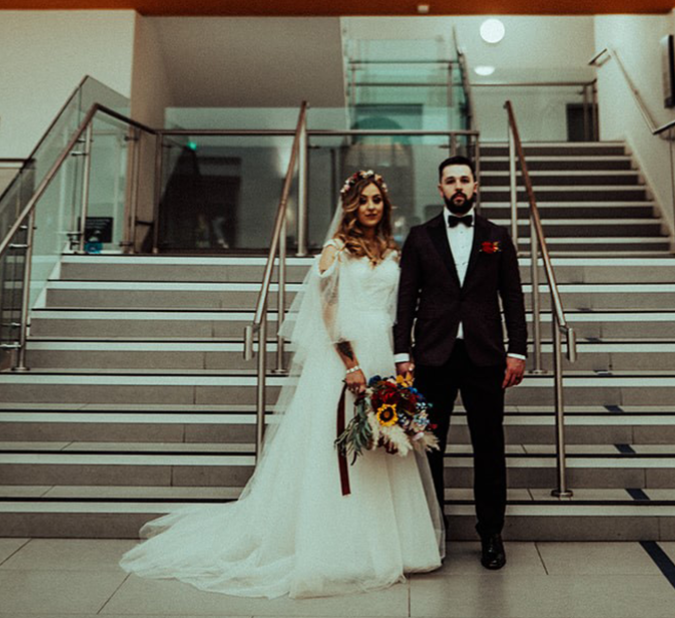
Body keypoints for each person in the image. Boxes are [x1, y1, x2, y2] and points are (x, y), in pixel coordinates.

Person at [120, 170, 444, 599]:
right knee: (341, 451)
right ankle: (340, 547)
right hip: (347, 358)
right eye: (363, 199)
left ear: (384, 206)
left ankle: (394, 546)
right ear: (350, 206)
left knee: (381, 448)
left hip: (384, 348)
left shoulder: (394, 253)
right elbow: (328, 310)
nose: (370, 206)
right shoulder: (335, 251)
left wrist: (401, 360)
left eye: (377, 200)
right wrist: (351, 362)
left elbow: (400, 307)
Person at [393, 155, 527, 570]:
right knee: (431, 448)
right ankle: (433, 533)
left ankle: (491, 533)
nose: (457, 187)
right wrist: (402, 353)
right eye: (450, 181)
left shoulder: (497, 236)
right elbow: (406, 298)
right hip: (433, 357)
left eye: (464, 180)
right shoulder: (419, 237)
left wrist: (517, 350)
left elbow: (514, 298)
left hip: (485, 357)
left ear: (475, 186)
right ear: (440, 189)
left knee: (489, 448)